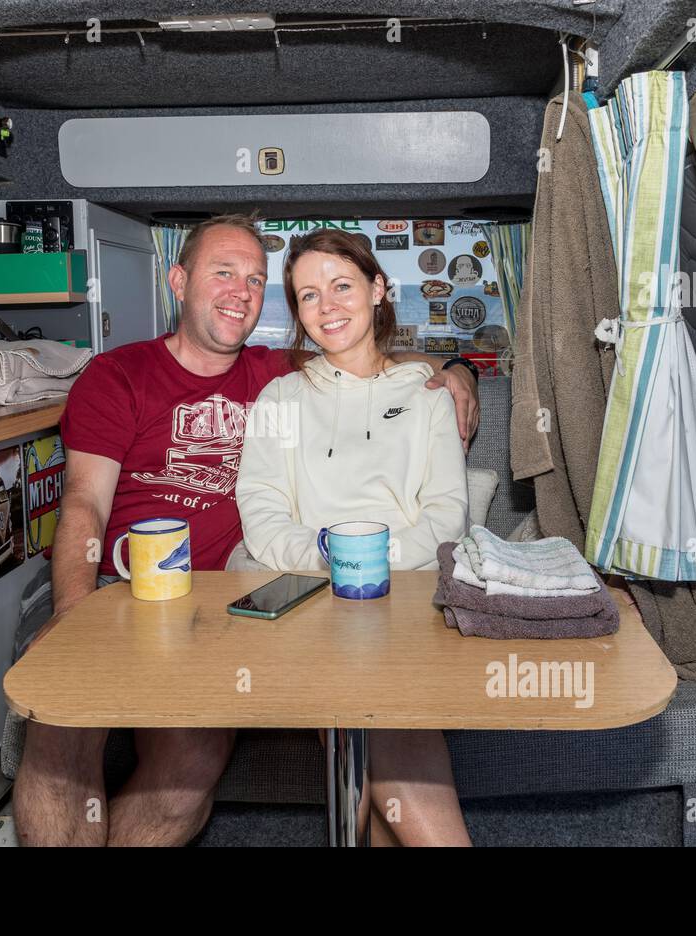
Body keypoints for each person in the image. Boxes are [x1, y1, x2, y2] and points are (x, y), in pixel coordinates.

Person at [13, 214, 480, 846]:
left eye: (256, 279)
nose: (241, 290)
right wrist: (73, 615)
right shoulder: (118, 374)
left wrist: (457, 369)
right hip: (126, 591)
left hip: (228, 606)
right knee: (62, 727)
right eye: (223, 273)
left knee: (192, 764)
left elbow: (366, 355)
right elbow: (82, 508)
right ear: (179, 281)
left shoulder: (274, 374)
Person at [235, 229, 473, 846]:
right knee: (366, 705)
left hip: (408, 594)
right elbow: (261, 511)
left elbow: (447, 515)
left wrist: (379, 562)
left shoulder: (427, 394)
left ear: (378, 288)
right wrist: (329, 557)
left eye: (342, 286)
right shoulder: (281, 396)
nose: (328, 307)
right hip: (309, 596)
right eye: (309, 295)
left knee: (379, 712)